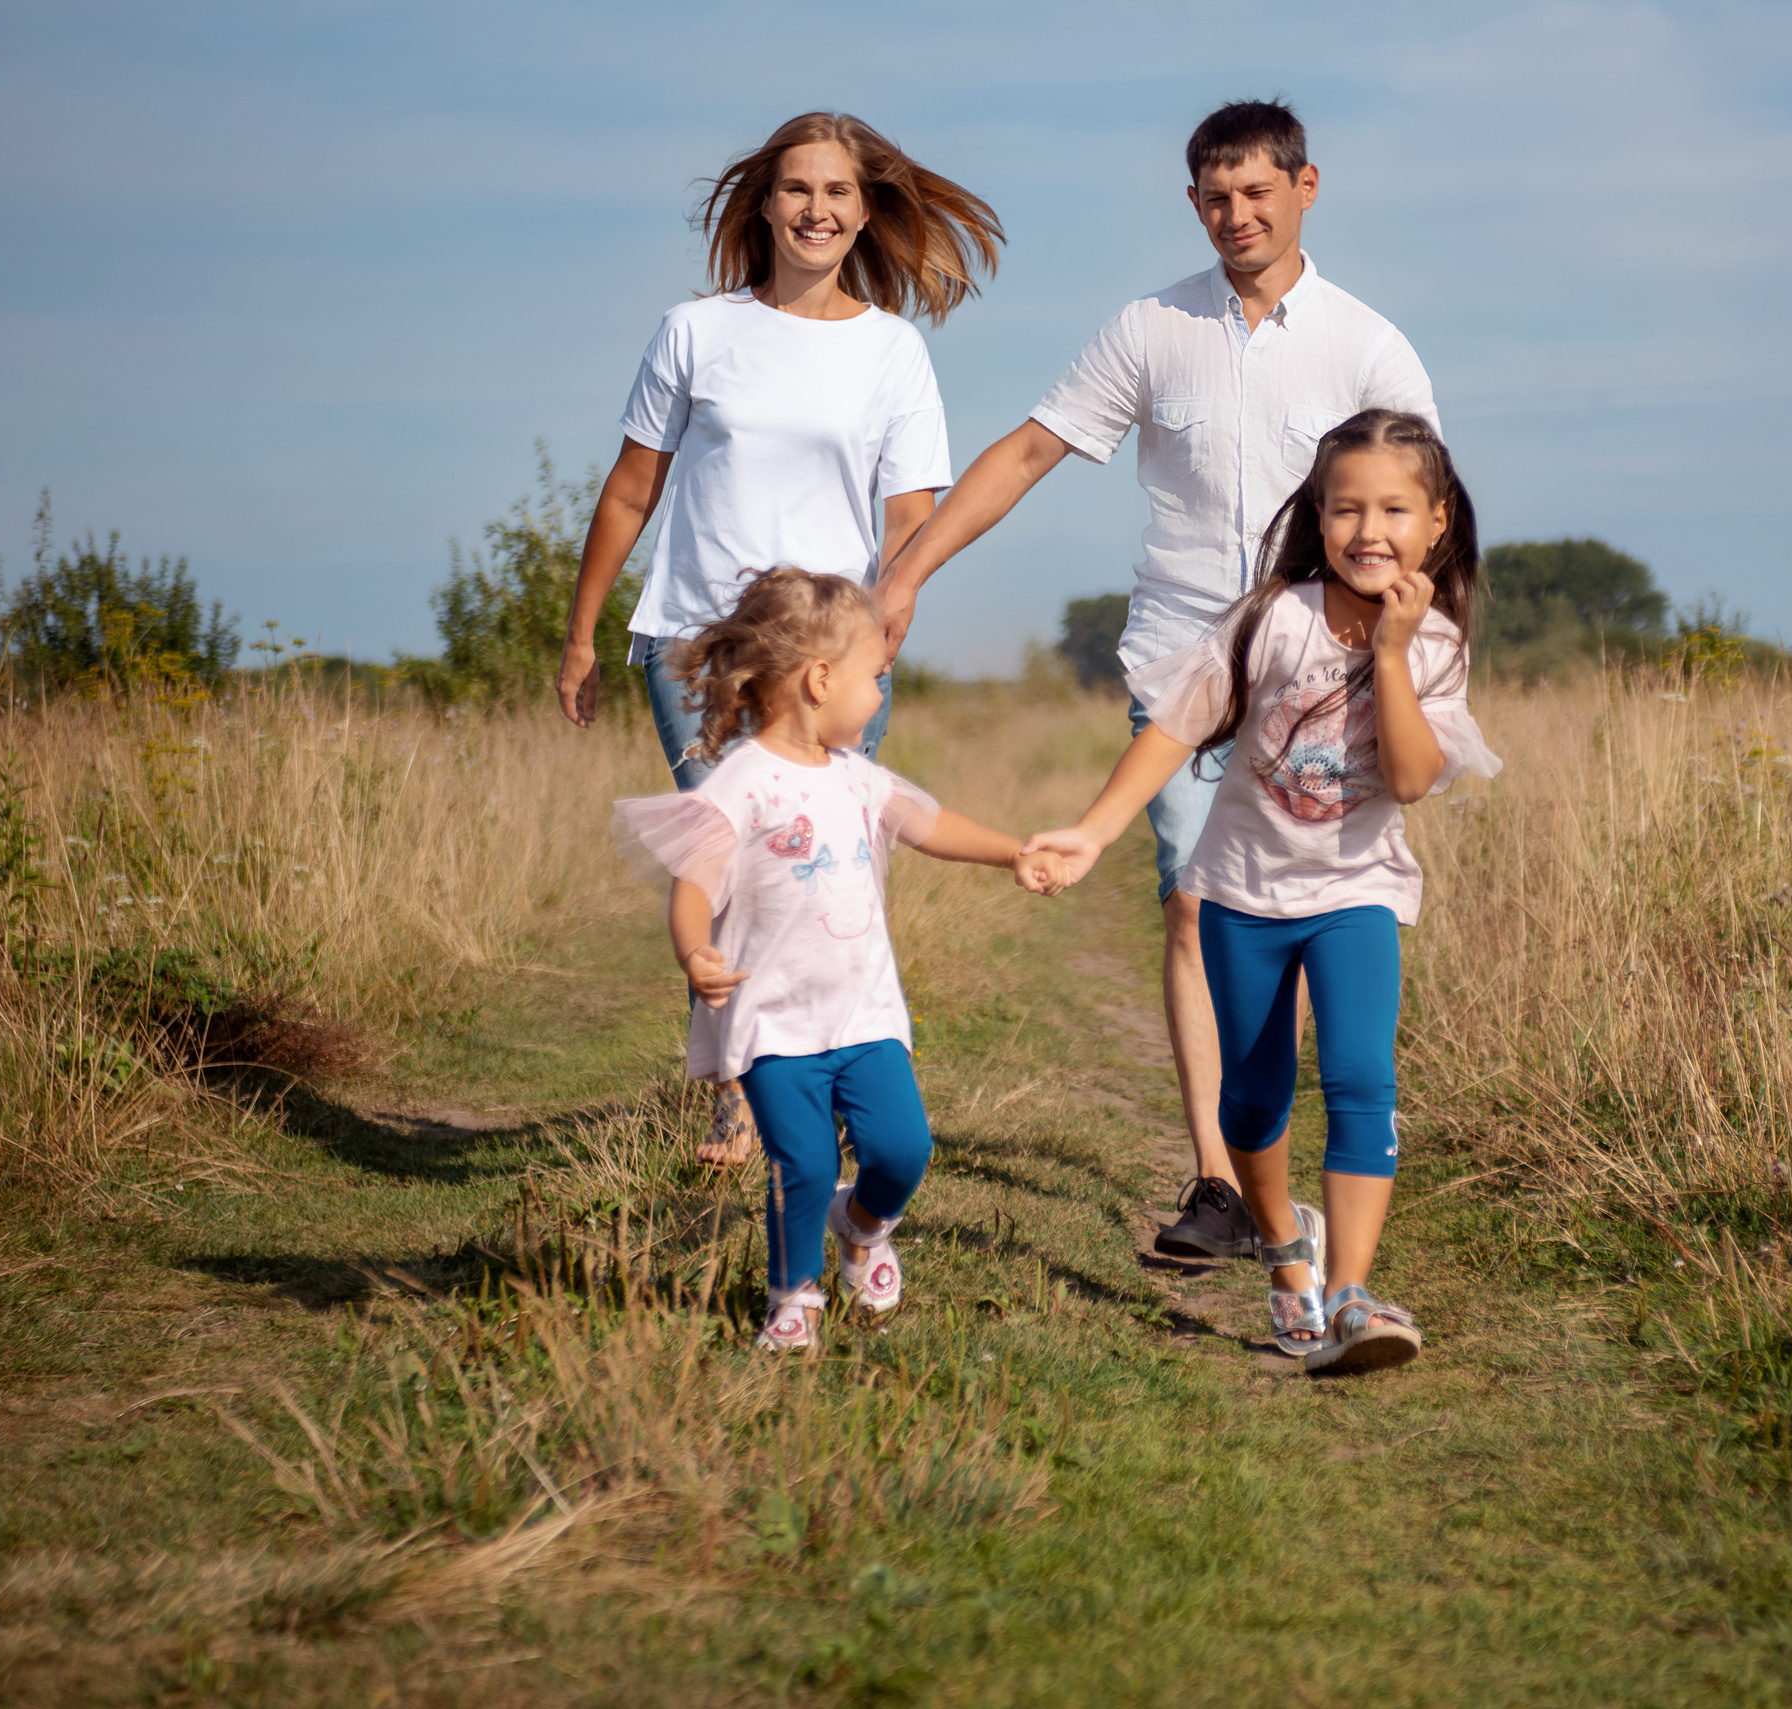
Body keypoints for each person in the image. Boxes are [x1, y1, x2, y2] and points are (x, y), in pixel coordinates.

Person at [876, 99, 1437, 1263]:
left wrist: (1410, 656)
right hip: (1181, 667)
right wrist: (905, 572)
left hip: (1320, 683)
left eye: (1258, 193)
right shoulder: (1150, 326)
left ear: (1305, 187)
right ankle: (1220, 1183)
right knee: (1192, 901)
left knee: (1281, 927)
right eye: (1216, 198)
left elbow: (1418, 507)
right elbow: (1031, 448)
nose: (1238, 215)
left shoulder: (1368, 345)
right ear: (1194, 204)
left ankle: (1276, 1162)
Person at [557, 110, 1002, 1166]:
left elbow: (910, 524)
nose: (817, 209)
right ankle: (740, 1090)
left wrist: (883, 633)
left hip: (831, 657)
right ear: (763, 203)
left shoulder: (893, 351)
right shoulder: (694, 332)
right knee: (727, 859)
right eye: (798, 189)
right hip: (695, 644)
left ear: (864, 211)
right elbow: (631, 490)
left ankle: (807, 1064)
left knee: (809, 864)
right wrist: (582, 635)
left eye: (838, 193)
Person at [1017, 411, 1498, 1373]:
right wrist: (1093, 830)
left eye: (1396, 509)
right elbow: (1169, 729)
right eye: (1345, 508)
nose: (1370, 530)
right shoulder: (1270, 619)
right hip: (1241, 893)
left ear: (1437, 524)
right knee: (1253, 1101)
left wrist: (1393, 655)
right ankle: (1289, 1257)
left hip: (1356, 890)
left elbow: (1406, 777)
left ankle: (1353, 1295)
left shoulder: (1435, 644)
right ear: (1317, 519)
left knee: (1363, 1082)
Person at [612, 570, 1061, 1352]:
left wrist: (1012, 852)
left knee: (904, 1149)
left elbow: (930, 823)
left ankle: (860, 1226)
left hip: (864, 1013)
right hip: (775, 1023)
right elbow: (693, 885)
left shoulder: (857, 776)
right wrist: (695, 950)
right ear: (821, 680)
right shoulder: (742, 783)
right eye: (874, 677)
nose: (880, 693)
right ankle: (793, 1294)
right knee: (803, 1164)